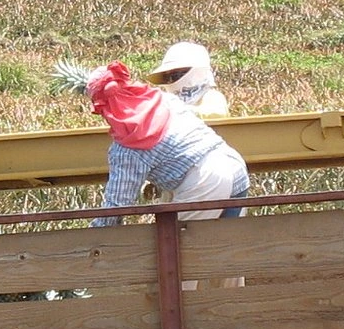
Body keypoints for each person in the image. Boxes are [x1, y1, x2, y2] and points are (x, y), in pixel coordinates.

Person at [86, 63, 248, 226]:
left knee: (178, 246)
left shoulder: (128, 147)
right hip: (233, 164)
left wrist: (88, 238)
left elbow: (117, 207)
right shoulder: (164, 99)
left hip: (204, 183)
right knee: (228, 243)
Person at [145, 41, 229, 117]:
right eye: (166, 77)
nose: (171, 81)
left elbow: (215, 114)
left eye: (176, 75)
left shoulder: (212, 97)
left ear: (196, 72)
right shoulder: (165, 101)